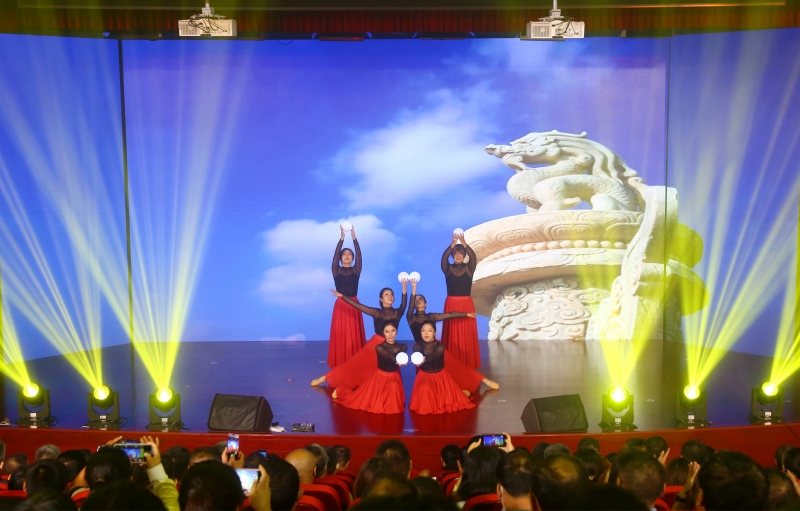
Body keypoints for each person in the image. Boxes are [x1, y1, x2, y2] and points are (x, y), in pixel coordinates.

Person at [311, 281, 408, 389]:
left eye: (392, 294)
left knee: (383, 370)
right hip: (375, 345)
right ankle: (325, 378)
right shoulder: (376, 312)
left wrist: (404, 288)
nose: (390, 296)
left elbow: (404, 304)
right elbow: (358, 306)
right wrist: (343, 296)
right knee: (354, 364)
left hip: (390, 345)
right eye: (386, 294)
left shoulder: (397, 313)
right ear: (381, 299)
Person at [409, 321, 498, 415]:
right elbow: (417, 355)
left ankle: (459, 392)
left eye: (429, 330)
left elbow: (433, 357)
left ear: (434, 333)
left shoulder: (440, 347)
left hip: (440, 377)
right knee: (425, 388)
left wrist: (424, 360)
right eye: (423, 330)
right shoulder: (417, 346)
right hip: (425, 375)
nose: (426, 333)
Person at [325, 321, 408, 414]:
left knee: (393, 388)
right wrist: (400, 360)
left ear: (396, 331)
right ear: (383, 333)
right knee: (358, 400)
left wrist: (404, 359)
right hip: (380, 378)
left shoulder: (402, 346)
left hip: (394, 376)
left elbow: (402, 354)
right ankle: (340, 391)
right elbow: (391, 357)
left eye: (393, 331)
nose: (390, 334)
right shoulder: (379, 347)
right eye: (387, 331)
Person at [440, 233, 480, 368]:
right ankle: (452, 362)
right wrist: (452, 245)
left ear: (464, 255)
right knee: (452, 333)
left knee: (466, 334)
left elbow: (473, 257)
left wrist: (463, 243)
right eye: (455, 253)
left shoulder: (469, 268)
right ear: (452, 255)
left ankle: (467, 362)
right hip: (451, 303)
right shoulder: (448, 269)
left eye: (461, 253)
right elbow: (443, 258)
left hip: (466, 304)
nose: (458, 255)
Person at [328, 225, 367, 367]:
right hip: (341, 305)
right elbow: (334, 256)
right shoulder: (336, 270)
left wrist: (354, 239)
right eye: (344, 254)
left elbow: (360, 256)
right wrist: (342, 239)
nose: (347, 256)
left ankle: (354, 363)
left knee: (354, 335)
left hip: (354, 304)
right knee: (341, 334)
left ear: (352, 258)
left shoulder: (356, 270)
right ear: (340, 258)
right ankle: (340, 363)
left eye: (349, 254)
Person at [406, 279, 474, 343]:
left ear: (425, 304)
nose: (418, 300)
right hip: (419, 348)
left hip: (434, 347)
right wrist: (414, 289)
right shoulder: (411, 318)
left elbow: (450, 314)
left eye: (420, 298)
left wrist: (466, 314)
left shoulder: (432, 316)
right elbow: (410, 306)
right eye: (415, 299)